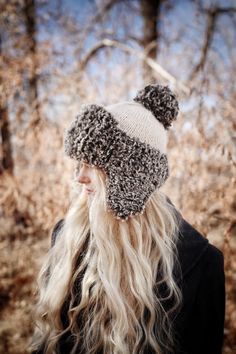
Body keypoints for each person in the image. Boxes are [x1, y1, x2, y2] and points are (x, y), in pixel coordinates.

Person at [30, 84, 225, 354]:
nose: (80, 177)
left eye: (94, 165)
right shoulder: (67, 236)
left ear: (131, 179)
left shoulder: (201, 264)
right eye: (79, 163)